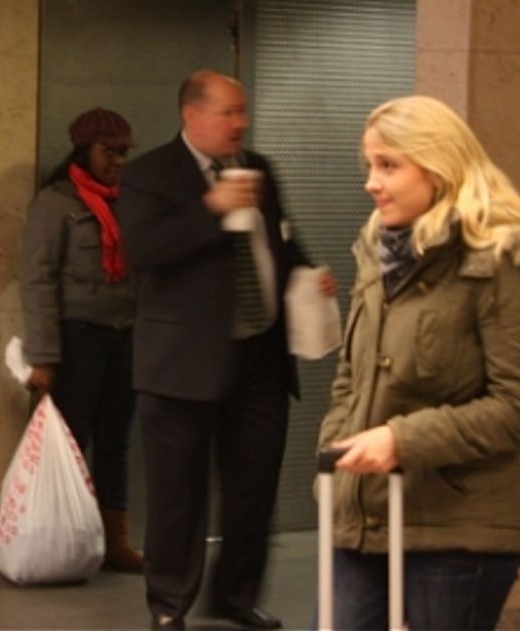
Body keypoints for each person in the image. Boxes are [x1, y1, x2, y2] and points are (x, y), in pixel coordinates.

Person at [316, 96, 520, 630]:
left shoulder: (501, 265)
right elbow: (351, 376)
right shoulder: (378, 254)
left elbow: (516, 407)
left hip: (457, 530)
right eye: (369, 165)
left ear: (439, 169)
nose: (371, 183)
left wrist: (401, 440)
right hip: (363, 520)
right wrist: (337, 445)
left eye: (389, 165)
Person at [118, 70, 336, 630]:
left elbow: (279, 239)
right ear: (191, 114)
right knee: (178, 495)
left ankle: (236, 596)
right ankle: (169, 604)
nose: (240, 123)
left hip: (260, 358)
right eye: (228, 112)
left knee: (252, 490)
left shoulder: (258, 168)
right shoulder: (148, 175)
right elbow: (145, 251)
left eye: (243, 111)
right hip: (180, 364)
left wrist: (307, 272)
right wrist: (210, 207)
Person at [19, 106, 143, 573]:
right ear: (83, 151)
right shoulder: (57, 203)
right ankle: (64, 539)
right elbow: (37, 279)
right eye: (108, 152)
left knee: (115, 442)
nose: (117, 162)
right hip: (77, 340)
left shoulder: (128, 201)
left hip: (124, 337)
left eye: (123, 153)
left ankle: (114, 542)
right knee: (70, 443)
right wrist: (43, 357)